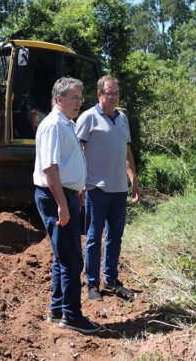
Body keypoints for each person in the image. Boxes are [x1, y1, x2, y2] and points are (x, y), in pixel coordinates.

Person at [33, 77, 102, 334]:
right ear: (58, 99)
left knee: (63, 257)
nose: (79, 102)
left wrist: (77, 190)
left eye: (80, 97)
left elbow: (65, 163)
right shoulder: (53, 125)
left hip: (65, 194)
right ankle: (72, 316)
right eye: (74, 97)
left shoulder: (66, 124)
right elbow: (49, 168)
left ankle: (58, 308)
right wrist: (63, 202)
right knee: (72, 260)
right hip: (55, 197)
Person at [75, 76, 141, 301]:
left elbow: (127, 152)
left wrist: (133, 179)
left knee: (116, 236)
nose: (113, 97)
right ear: (100, 94)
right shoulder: (88, 118)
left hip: (119, 188)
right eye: (109, 93)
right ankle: (93, 284)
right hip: (96, 188)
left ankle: (111, 279)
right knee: (94, 237)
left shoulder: (122, 119)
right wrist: (80, 183)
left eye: (116, 93)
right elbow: (77, 152)